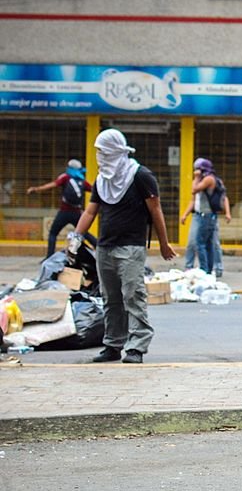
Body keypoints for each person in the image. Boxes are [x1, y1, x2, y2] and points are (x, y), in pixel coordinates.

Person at [72, 128, 176, 364]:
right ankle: (112, 345)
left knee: (133, 296)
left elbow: (156, 210)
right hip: (105, 247)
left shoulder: (140, 175)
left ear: (115, 150)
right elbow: (91, 211)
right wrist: (76, 237)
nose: (100, 156)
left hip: (131, 247)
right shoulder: (102, 179)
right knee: (111, 299)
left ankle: (137, 347)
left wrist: (164, 243)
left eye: (103, 151)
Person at [26, 159, 96, 258]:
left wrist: (36, 189)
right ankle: (98, 247)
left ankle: (49, 256)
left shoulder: (65, 177)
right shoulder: (82, 180)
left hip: (64, 212)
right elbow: (94, 190)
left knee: (53, 233)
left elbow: (52, 185)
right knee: (84, 233)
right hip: (77, 213)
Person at [180, 158, 230, 277]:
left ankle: (208, 269)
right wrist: (185, 214)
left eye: (198, 169)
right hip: (198, 215)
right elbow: (194, 200)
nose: (196, 172)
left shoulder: (208, 179)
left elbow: (194, 190)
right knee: (194, 242)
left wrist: (196, 178)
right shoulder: (203, 181)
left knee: (206, 244)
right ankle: (192, 267)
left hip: (207, 216)